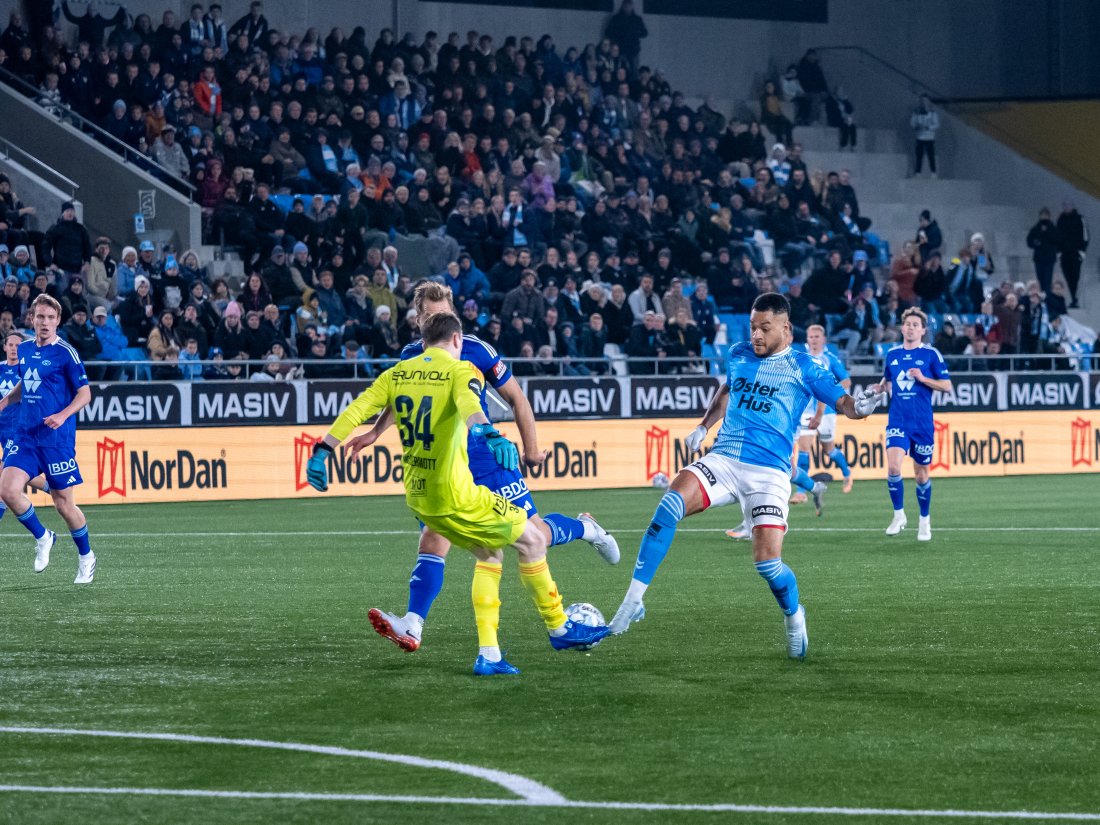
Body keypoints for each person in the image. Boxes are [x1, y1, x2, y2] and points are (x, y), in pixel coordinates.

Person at [307, 311, 610, 675]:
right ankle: (560, 627)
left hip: (421, 499)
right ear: (456, 340)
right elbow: (471, 409)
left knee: (490, 553)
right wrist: (491, 434)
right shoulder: (461, 369)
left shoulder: (396, 373)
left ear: (423, 340)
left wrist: (323, 450)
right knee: (532, 540)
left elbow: (359, 409)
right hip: (459, 495)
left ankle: (490, 656)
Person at [607, 293, 881, 657]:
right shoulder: (739, 354)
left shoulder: (805, 367)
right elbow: (726, 390)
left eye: (764, 328)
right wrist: (704, 426)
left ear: (785, 328)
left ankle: (793, 615)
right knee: (670, 503)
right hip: (724, 458)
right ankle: (633, 601)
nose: (755, 335)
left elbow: (844, 403)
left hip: (769, 473)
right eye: (752, 327)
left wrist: (859, 408)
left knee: (768, 564)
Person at [0, 295, 95, 583]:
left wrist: (64, 415)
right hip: (25, 435)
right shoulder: (25, 348)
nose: (45, 323)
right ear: (32, 318)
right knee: (8, 490)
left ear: (57, 321)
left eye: (50, 318)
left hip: (56, 439)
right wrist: (5, 401)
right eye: (40, 317)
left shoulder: (66, 353)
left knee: (63, 505)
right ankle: (43, 537)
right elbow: (24, 384)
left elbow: (85, 394)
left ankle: (86, 556)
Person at [872, 307, 953, 541]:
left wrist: (923, 378)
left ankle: (924, 520)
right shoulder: (893, 355)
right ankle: (899, 515)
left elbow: (947, 386)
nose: (911, 328)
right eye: (907, 324)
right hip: (898, 420)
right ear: (902, 327)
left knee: (921, 475)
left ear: (923, 330)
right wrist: (878, 388)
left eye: (916, 325)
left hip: (923, 423)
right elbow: (887, 381)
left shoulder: (931, 355)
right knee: (894, 468)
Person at [794, 325, 853, 493]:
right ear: (807, 339)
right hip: (806, 410)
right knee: (804, 448)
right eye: (811, 337)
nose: (813, 339)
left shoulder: (830, 359)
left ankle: (847, 472)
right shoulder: (801, 359)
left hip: (826, 411)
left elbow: (847, 381)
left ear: (823, 339)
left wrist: (829, 389)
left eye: (817, 337)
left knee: (828, 449)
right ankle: (801, 492)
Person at [0, 331, 49, 506]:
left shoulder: (27, 368)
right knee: (8, 470)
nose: (14, 349)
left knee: (4, 470)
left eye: (18, 346)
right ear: (5, 346)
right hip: (2, 428)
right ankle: (50, 486)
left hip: (18, 428)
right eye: (11, 345)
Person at [1056, 200, 1088, 309]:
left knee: (1075, 276)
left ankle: (1075, 299)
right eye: (1064, 205)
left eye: (1068, 205)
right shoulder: (1060, 219)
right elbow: (1057, 236)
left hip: (1076, 253)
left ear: (1072, 206)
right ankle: (1073, 298)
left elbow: (1085, 235)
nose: (1066, 207)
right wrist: (1058, 252)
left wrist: (1082, 251)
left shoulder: (1080, 218)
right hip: (1064, 253)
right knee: (1068, 276)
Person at [910, 94, 939, 178]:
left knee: (931, 156)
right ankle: (918, 172)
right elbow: (912, 123)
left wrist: (928, 127)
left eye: (926, 100)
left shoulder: (933, 113)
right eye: (922, 101)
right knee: (919, 155)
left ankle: (933, 173)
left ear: (929, 102)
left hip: (930, 137)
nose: (924, 102)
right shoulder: (916, 112)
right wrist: (917, 126)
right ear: (920, 102)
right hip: (919, 137)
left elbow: (936, 124)